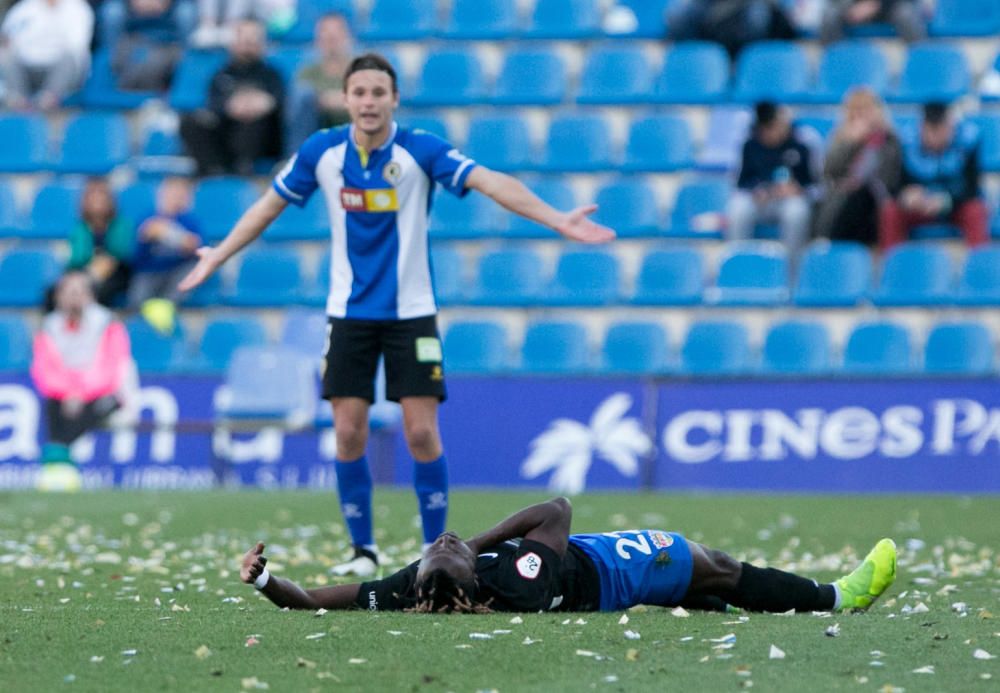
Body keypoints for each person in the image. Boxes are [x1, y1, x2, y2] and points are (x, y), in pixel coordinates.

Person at [179, 53, 615, 578]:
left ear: (394, 99)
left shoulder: (419, 149)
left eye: (378, 93)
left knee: (421, 434)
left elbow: (490, 181)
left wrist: (555, 218)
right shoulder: (322, 151)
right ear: (345, 99)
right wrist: (219, 252)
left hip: (412, 315)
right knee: (347, 433)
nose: (368, 102)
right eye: (359, 92)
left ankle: (438, 549)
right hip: (349, 317)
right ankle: (363, 551)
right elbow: (268, 205)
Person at [239, 497, 897, 615]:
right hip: (613, 569)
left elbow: (310, 600)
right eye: (452, 553)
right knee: (708, 559)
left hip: (586, 569)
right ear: (470, 574)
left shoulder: (412, 589)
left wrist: (265, 577)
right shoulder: (520, 579)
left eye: (434, 551)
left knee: (708, 590)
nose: (441, 544)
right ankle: (840, 595)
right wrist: (474, 541)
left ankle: (706, 597)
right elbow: (556, 509)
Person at [30, 271, 132, 492]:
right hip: (67, 395)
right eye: (69, 291)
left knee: (99, 405)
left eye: (80, 291)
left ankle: (56, 457)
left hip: (105, 392)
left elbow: (111, 368)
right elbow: (46, 369)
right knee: (52, 404)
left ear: (91, 296)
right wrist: (69, 392)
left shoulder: (108, 323)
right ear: (58, 296)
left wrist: (81, 392)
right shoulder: (49, 326)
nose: (75, 296)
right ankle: (61, 465)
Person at [179, 18, 285, 175]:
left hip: (260, 137)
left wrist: (259, 104)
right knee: (190, 122)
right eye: (243, 39)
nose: (248, 45)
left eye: (253, 39)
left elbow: (279, 102)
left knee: (254, 123)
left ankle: (243, 169)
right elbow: (214, 105)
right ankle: (213, 171)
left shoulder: (272, 74)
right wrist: (231, 106)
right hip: (227, 132)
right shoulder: (221, 74)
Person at [879, 102, 988, 251]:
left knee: (976, 210)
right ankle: (892, 266)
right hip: (918, 207)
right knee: (891, 211)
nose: (935, 137)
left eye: (941, 130)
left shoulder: (968, 142)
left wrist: (944, 201)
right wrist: (906, 196)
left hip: (954, 205)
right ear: (922, 128)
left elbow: (972, 189)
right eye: (931, 130)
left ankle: (980, 266)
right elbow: (893, 186)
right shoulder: (904, 143)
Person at [726, 102, 817, 256]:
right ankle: (739, 263)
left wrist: (797, 188)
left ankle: (792, 271)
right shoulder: (750, 146)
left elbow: (813, 184)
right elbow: (741, 183)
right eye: (766, 128)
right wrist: (758, 190)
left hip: (789, 201)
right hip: (760, 201)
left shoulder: (801, 144)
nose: (771, 132)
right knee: (738, 209)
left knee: (796, 212)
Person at [813, 88, 902, 245]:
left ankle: (830, 242)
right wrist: (851, 143)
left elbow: (890, 177)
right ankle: (829, 246)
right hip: (842, 199)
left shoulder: (889, 140)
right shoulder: (841, 137)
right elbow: (829, 170)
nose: (861, 116)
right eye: (856, 110)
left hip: (873, 199)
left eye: (866, 110)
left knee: (860, 196)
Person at [129, 176, 202, 333]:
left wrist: (173, 234)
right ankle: (149, 316)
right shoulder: (148, 218)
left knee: (190, 273)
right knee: (137, 298)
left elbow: (199, 249)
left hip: (177, 270)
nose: (175, 198)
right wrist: (145, 238)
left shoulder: (189, 220)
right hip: (150, 271)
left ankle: (166, 306)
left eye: (180, 194)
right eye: (171, 193)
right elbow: (135, 257)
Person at [0, 0, 94, 110]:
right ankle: (19, 102)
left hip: (58, 65)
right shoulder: (25, 7)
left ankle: (48, 101)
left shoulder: (78, 8)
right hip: (28, 65)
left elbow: (77, 45)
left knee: (71, 57)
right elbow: (7, 37)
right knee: (5, 54)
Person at [285, 12, 353, 154]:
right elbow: (301, 105)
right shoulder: (308, 72)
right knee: (303, 95)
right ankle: (299, 158)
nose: (331, 40)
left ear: (347, 37)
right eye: (326, 36)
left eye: (335, 36)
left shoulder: (359, 69)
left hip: (352, 132)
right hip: (317, 131)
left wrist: (332, 100)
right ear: (318, 40)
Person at [66, 178, 136, 308]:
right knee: (59, 289)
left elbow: (120, 252)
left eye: (101, 196)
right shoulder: (80, 228)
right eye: (93, 197)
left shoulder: (121, 224)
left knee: (99, 291)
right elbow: (76, 259)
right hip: (86, 271)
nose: (97, 201)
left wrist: (100, 268)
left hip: (116, 272)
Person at [667, 0, 795, 60]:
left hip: (747, 45)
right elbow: (677, 25)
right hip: (711, 37)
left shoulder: (759, 9)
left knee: (757, 13)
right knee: (678, 14)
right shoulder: (697, 8)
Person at [110, 0, 189, 92]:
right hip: (130, 7)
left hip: (172, 8)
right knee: (112, 12)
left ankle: (187, 69)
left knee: (186, 12)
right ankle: (108, 66)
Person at [819, 0, 925, 44]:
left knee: (906, 15)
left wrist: (876, 4)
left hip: (889, 6)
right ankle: (835, 65)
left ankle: (921, 61)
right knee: (830, 15)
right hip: (854, 6)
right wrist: (850, 8)